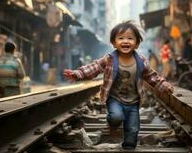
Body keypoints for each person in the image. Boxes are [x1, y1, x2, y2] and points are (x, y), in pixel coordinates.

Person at [63, 20, 174, 150]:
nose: (125, 41)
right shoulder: (110, 58)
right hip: (114, 98)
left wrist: (165, 85)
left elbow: (151, 76)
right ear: (114, 42)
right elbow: (95, 67)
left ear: (137, 43)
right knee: (116, 116)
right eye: (121, 38)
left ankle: (128, 147)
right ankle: (112, 124)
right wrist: (78, 73)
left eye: (130, 38)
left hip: (133, 101)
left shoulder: (141, 60)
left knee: (133, 128)